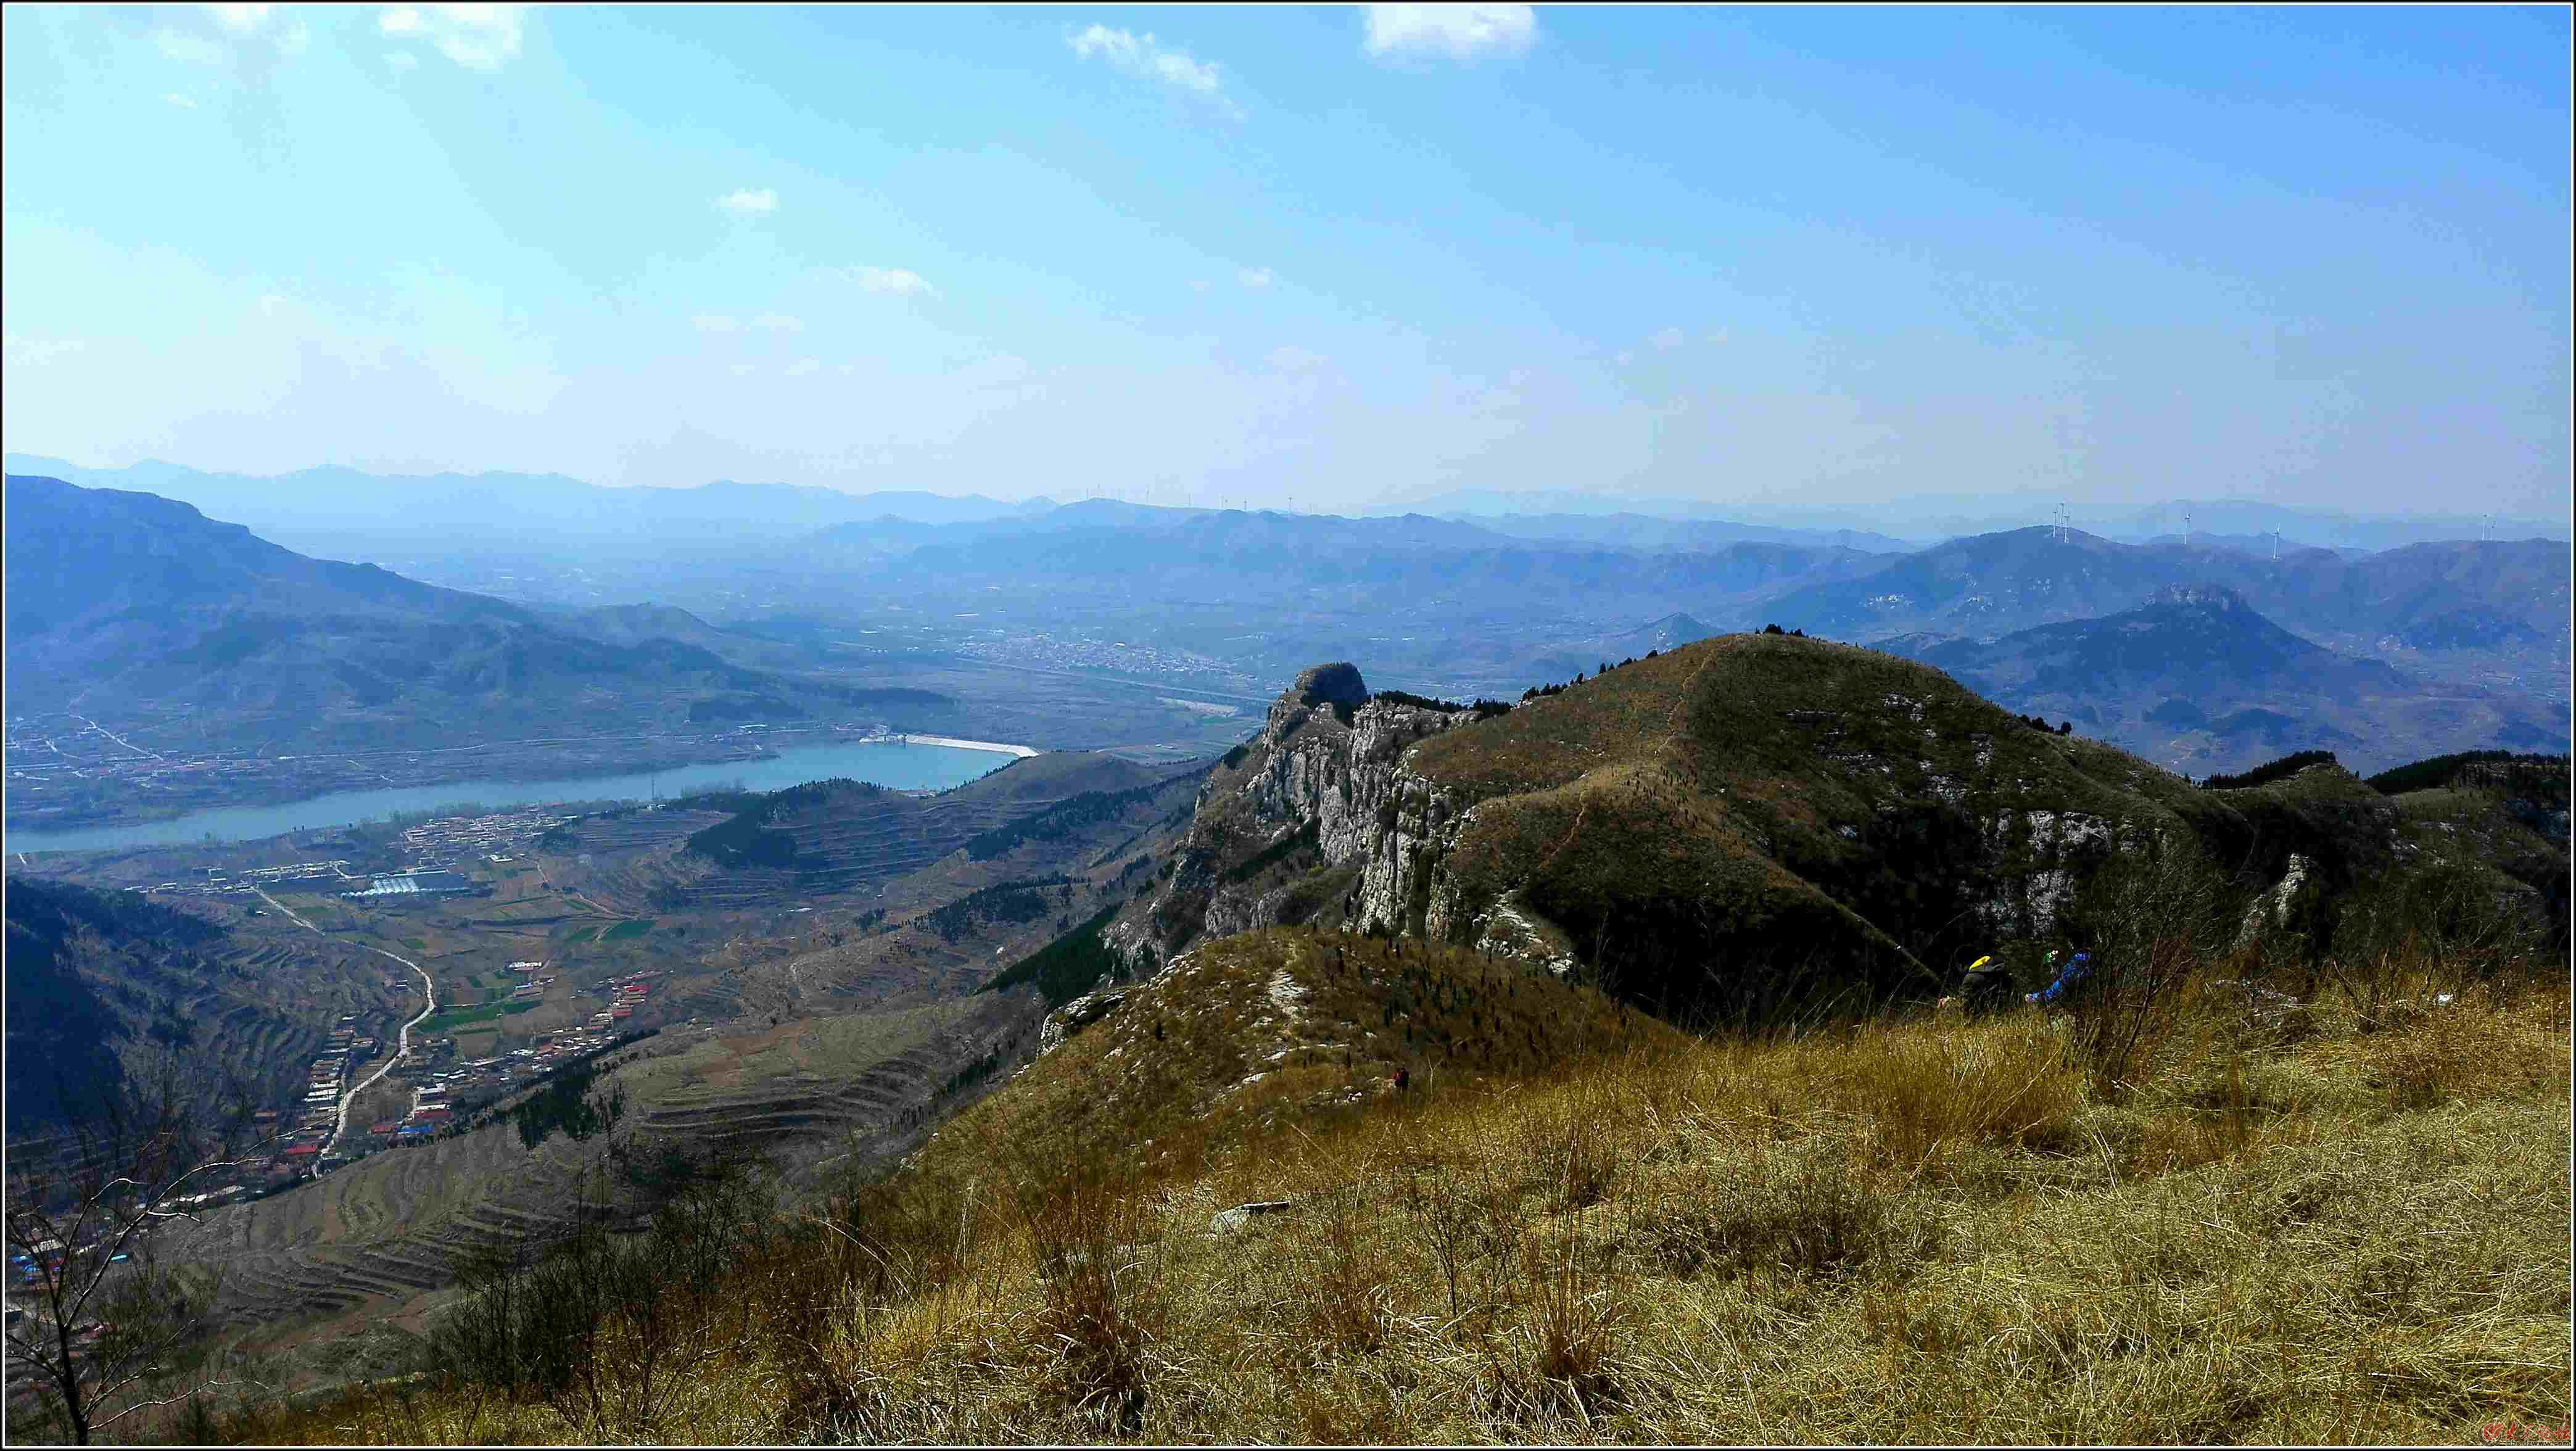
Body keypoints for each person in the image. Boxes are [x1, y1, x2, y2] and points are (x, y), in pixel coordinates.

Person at [2026, 951, 2092, 1006]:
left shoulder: (2068, 969)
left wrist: (2035, 997)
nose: (2052, 971)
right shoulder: (2067, 968)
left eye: (2052, 966)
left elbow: (2051, 992)